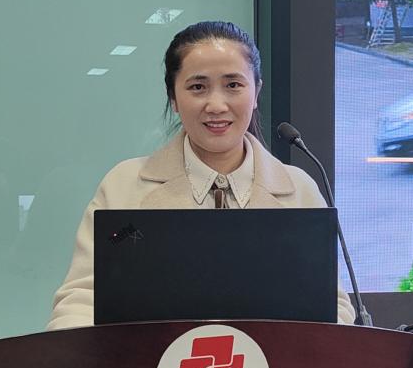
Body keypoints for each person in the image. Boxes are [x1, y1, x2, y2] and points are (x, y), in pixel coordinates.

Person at [47, 20, 356, 330]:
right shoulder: (124, 185)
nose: (216, 105)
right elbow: (83, 299)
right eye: (198, 87)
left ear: (256, 92)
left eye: (233, 85)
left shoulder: (300, 190)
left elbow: (331, 305)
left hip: (274, 360)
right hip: (148, 361)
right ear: (173, 97)